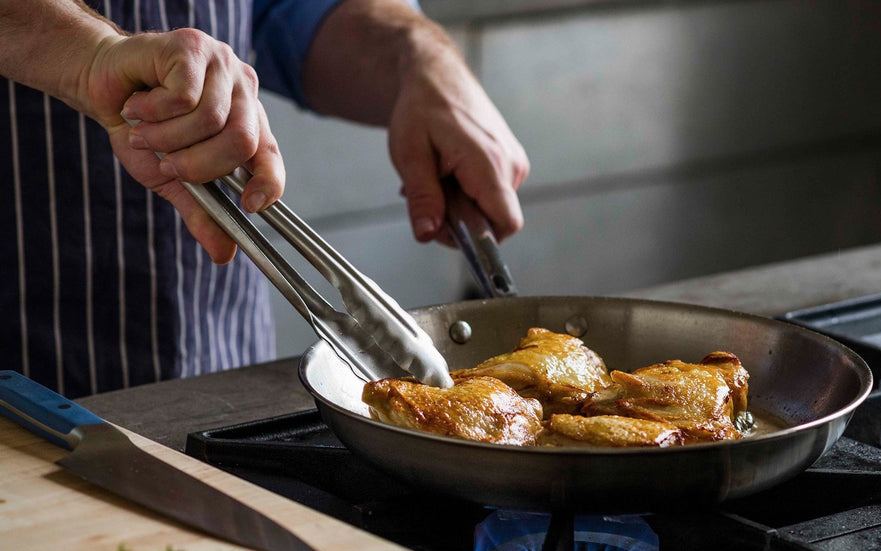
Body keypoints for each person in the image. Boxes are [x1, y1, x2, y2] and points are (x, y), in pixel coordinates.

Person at [0, 0, 529, 398]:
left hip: (219, 363)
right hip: (22, 362)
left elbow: (296, 12)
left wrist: (419, 59)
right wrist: (90, 56)